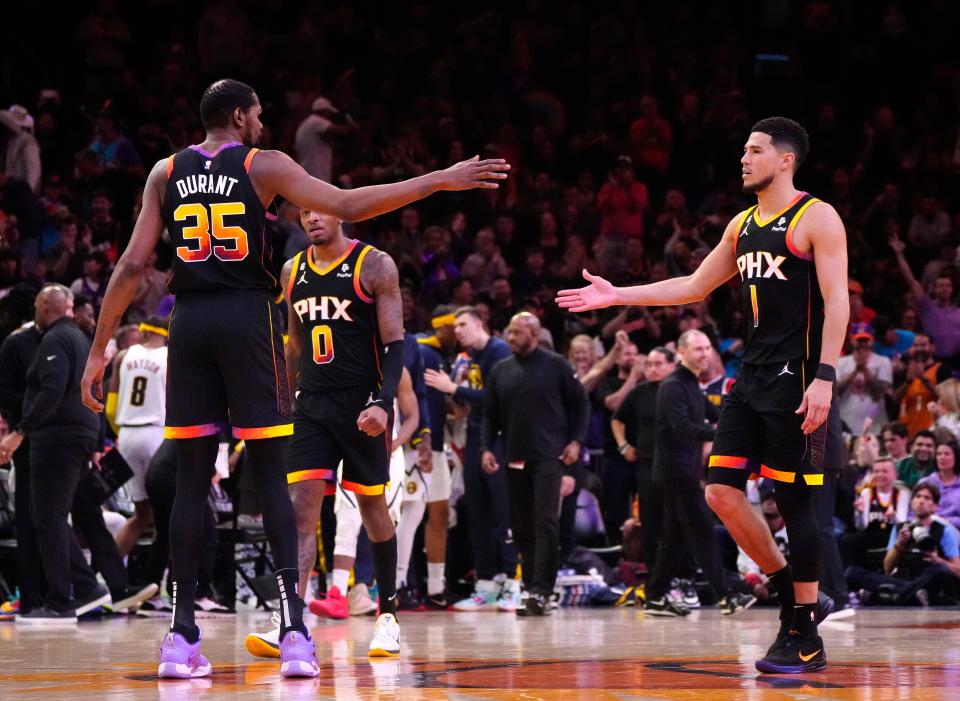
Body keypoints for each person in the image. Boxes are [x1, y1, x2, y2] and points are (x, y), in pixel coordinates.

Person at [78, 79, 509, 679]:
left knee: (192, 480)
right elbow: (350, 204)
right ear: (238, 116)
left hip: (191, 323)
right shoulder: (263, 164)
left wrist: (100, 348)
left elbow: (131, 265)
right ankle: (295, 637)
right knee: (277, 484)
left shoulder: (163, 171)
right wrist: (437, 179)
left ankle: (180, 640)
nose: (261, 125)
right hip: (246, 321)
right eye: (256, 116)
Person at [558, 117, 847, 673]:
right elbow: (693, 285)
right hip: (752, 377)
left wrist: (825, 376)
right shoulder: (742, 224)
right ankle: (796, 600)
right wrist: (617, 292)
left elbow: (838, 302)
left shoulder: (817, 217)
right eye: (743, 149)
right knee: (720, 493)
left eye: (755, 150)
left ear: (785, 160)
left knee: (795, 503)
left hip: (799, 377)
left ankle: (804, 635)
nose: (744, 158)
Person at [279, 209, 409, 662]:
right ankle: (292, 622)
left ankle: (388, 616)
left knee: (372, 506)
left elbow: (395, 343)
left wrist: (383, 402)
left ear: (341, 211)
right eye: (304, 211)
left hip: (361, 404)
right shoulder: (292, 269)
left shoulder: (374, 264)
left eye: (320, 209)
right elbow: (294, 343)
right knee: (301, 510)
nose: (312, 217)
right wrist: (286, 402)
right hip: (311, 405)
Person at [0, 285, 156, 623]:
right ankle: (113, 586)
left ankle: (67, 597)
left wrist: (19, 431)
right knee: (85, 509)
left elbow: (52, 389)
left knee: (48, 517)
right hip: (84, 434)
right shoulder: (82, 340)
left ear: (43, 307)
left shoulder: (54, 340)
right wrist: (97, 441)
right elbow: (94, 389)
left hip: (56, 438)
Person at [481, 312, 590, 615]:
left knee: (546, 522)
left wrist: (576, 441)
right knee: (521, 526)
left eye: (516, 333)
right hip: (514, 456)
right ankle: (530, 588)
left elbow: (582, 402)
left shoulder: (556, 366)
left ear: (533, 334)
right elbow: (490, 414)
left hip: (549, 457)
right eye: (508, 333)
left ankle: (544, 589)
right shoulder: (500, 370)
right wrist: (486, 448)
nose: (510, 338)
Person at [642, 330, 754, 616]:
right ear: (681, 352)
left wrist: (741, 423)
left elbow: (718, 416)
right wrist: (721, 436)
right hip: (676, 470)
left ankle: (654, 596)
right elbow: (683, 428)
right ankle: (726, 596)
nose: (704, 354)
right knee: (703, 530)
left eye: (707, 349)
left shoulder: (692, 384)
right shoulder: (673, 387)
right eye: (698, 349)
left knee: (674, 537)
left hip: (685, 469)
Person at [424, 306, 519, 611]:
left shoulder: (500, 351)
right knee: (478, 513)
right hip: (475, 437)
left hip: (502, 440)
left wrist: (453, 389)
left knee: (504, 514)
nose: (458, 330)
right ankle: (486, 584)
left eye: (463, 324)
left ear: (480, 323)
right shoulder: (468, 359)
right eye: (455, 325)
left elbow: (497, 397)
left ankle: (512, 583)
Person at [106, 316, 168, 555]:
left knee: (140, 515)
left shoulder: (123, 356)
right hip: (156, 435)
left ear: (143, 333)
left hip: (128, 437)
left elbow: (111, 408)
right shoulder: (170, 356)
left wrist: (122, 433)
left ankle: (110, 575)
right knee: (167, 513)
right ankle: (161, 579)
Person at [611, 346, 676, 569]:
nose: (652, 369)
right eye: (648, 364)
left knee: (676, 521)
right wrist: (623, 446)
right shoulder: (640, 391)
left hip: (677, 465)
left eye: (658, 364)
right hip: (647, 464)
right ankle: (652, 581)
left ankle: (681, 577)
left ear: (672, 365)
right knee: (649, 522)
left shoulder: (681, 388)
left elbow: (713, 417)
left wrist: (705, 449)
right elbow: (616, 419)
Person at [846, 482, 960, 606]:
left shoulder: (944, 530)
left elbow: (957, 570)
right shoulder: (900, 528)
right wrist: (900, 544)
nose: (921, 501)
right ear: (912, 502)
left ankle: (888, 596)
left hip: (927, 578)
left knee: (942, 570)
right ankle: (912, 594)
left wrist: (937, 559)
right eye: (918, 496)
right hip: (902, 577)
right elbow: (887, 567)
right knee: (852, 572)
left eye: (927, 498)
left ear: (935, 506)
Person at [839, 456, 910, 569]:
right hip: (871, 534)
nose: (880, 475)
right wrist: (860, 513)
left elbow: (901, 523)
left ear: (895, 475)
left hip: (891, 535)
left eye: (884, 471)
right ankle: (850, 576)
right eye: (876, 471)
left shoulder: (902, 494)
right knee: (846, 541)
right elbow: (861, 526)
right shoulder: (866, 493)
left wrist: (893, 516)